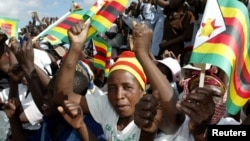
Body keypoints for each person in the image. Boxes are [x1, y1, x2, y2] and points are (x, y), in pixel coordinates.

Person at [54, 20, 155, 140]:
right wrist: (75, 46)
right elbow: (62, 96)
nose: (118, 96)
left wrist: (144, 52)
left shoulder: (152, 117)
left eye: (127, 87)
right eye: (112, 88)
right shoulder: (106, 104)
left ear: (142, 90)